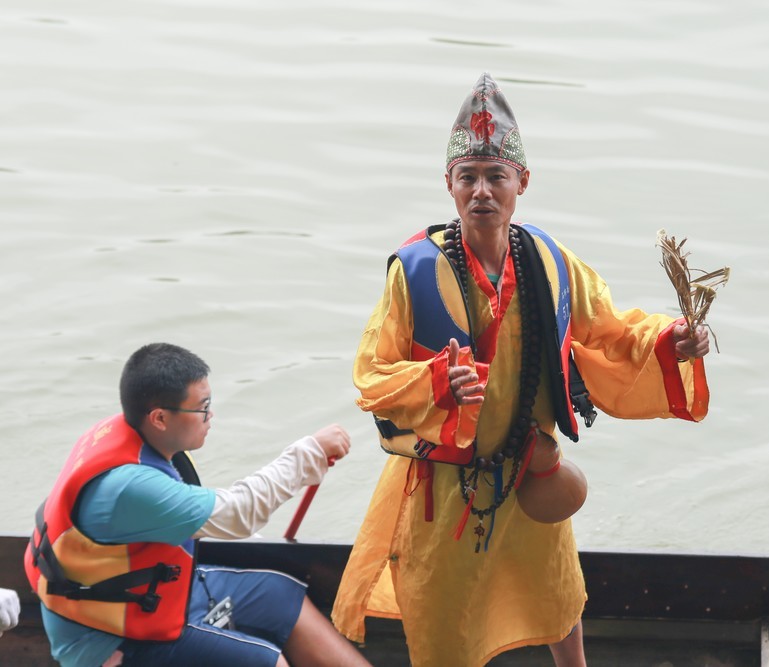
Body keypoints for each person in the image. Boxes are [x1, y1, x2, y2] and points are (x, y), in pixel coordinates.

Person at [332, 73, 712, 666]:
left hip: (530, 464)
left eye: (496, 176)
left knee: (558, 594)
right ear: (449, 185)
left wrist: (672, 340)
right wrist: (436, 382)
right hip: (448, 485)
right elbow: (372, 374)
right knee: (443, 619)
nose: (481, 191)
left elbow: (611, 330)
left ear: (522, 183)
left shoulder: (549, 262)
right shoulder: (414, 272)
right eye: (468, 177)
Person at [24, 343, 371, 667]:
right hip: (113, 641)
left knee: (281, 596)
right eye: (202, 408)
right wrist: (308, 453)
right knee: (267, 662)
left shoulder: (132, 437)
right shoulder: (130, 488)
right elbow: (239, 513)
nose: (210, 415)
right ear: (160, 418)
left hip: (152, 595)